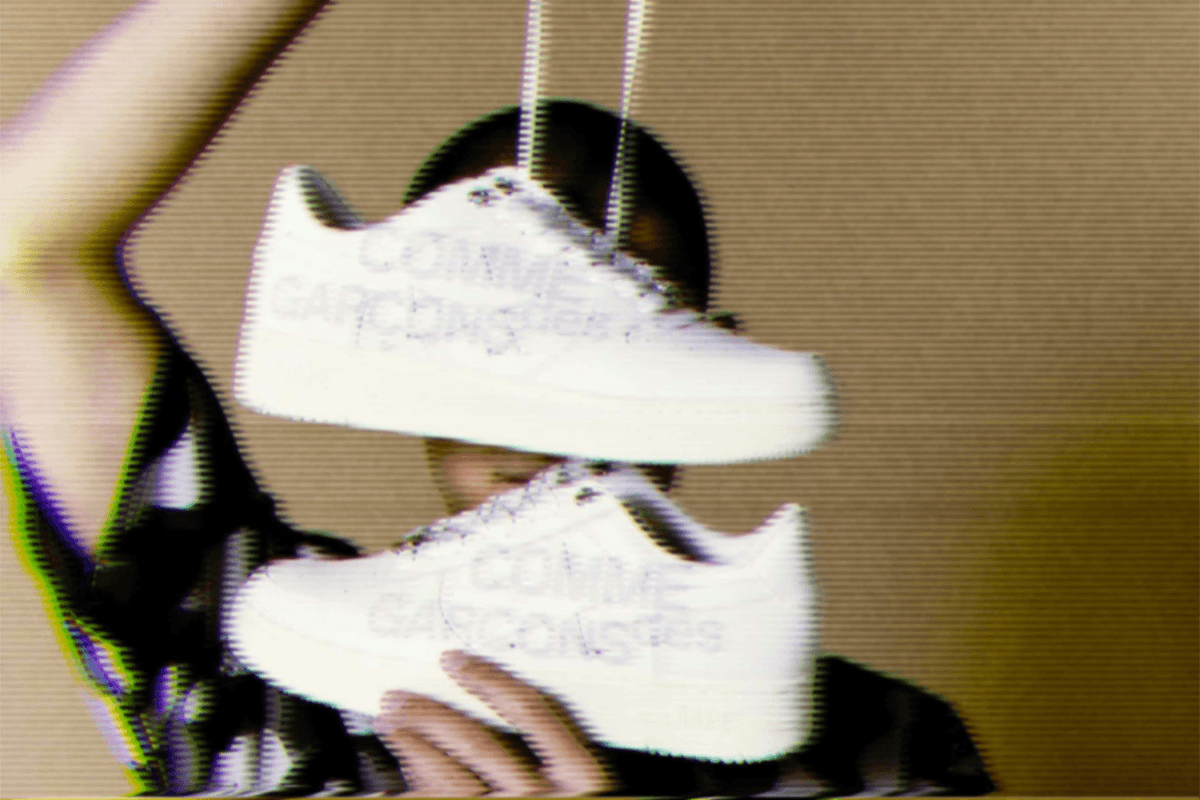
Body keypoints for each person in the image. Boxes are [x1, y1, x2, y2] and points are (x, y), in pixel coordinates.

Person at [0, 0, 996, 795]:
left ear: (706, 361)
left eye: (605, 346)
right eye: (487, 342)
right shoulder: (266, 659)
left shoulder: (886, 751)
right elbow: (24, 250)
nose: (537, 418)